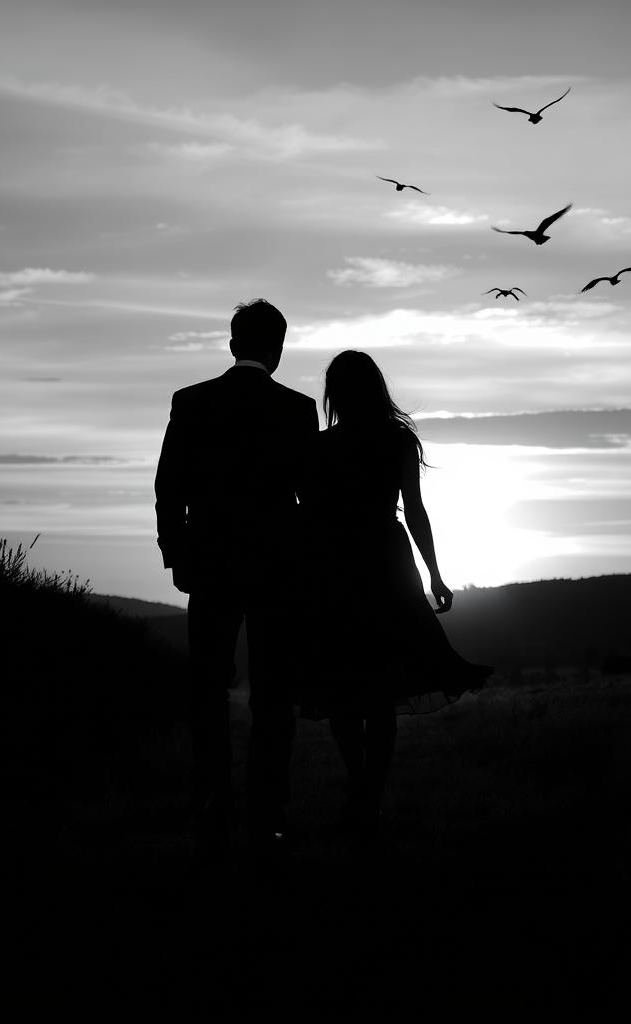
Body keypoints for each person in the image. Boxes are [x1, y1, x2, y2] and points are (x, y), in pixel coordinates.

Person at [296, 351, 492, 836]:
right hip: (386, 560)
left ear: (334, 393)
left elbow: (307, 511)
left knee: (344, 683)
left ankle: (360, 785)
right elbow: (416, 510)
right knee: (382, 688)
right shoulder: (397, 440)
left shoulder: (318, 446)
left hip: (335, 565)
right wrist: (435, 575)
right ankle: (369, 795)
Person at [154, 298, 319, 860]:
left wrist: (176, 555)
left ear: (232, 345)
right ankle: (268, 815)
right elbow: (310, 497)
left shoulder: (191, 402)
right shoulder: (298, 411)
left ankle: (213, 807)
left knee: (208, 691)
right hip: (278, 570)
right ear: (277, 349)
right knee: (274, 694)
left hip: (212, 566)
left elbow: (168, 486)